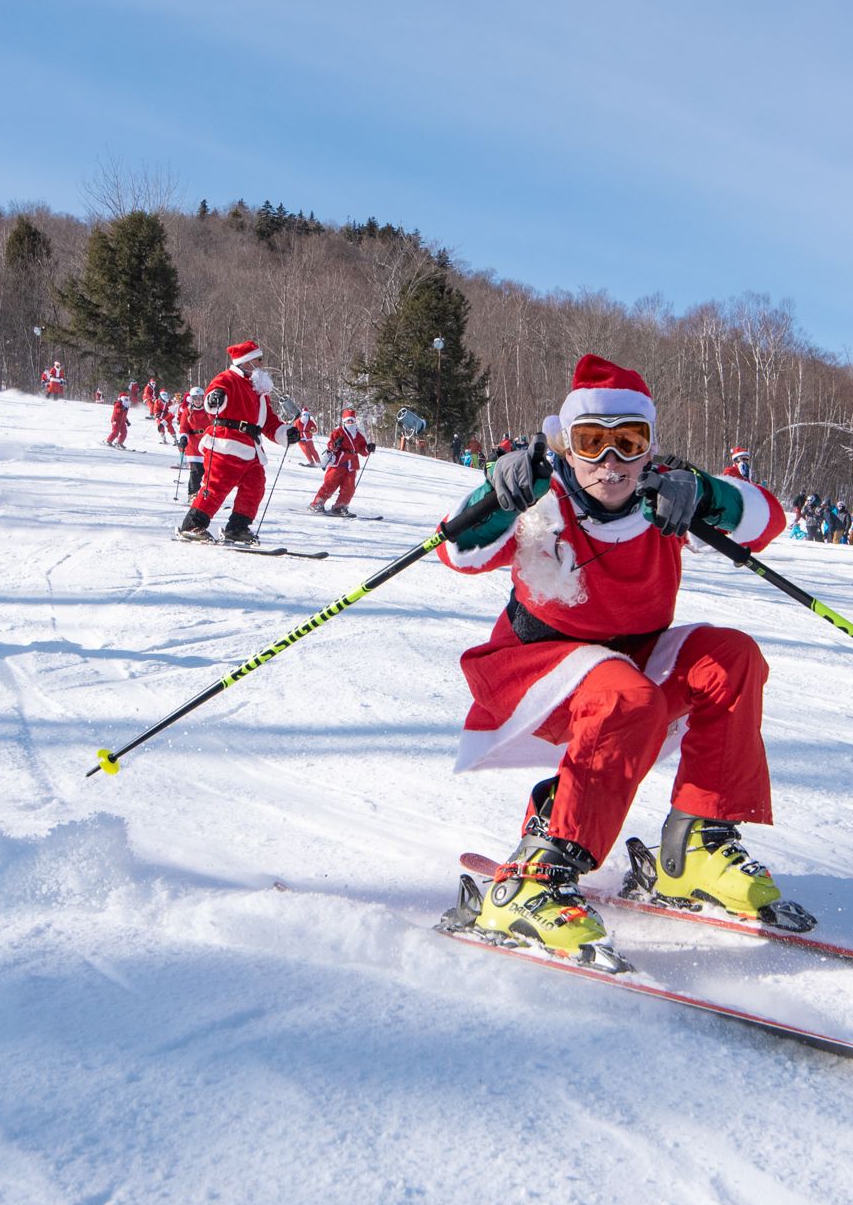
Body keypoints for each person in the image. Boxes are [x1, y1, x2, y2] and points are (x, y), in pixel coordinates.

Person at [435, 355, 806, 967]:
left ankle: (696, 847)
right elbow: (460, 552)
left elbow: (769, 521)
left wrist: (708, 493)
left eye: (628, 443)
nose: (611, 463)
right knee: (623, 696)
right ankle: (533, 877)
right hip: (538, 666)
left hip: (628, 660)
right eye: (592, 443)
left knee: (730, 658)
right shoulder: (544, 495)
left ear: (648, 448)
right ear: (567, 445)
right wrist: (495, 495)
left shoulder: (665, 498)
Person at [176, 341, 301, 544]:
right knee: (216, 486)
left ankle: (237, 527)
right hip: (226, 443)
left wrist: (285, 433)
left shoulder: (259, 389)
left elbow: (268, 421)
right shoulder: (227, 378)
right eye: (259, 359)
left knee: (255, 487)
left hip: (251, 448)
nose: (262, 363)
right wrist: (214, 399)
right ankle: (192, 525)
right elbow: (212, 398)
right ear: (247, 361)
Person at [309, 407, 374, 516]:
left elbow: (363, 451)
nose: (350, 423)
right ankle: (317, 503)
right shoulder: (338, 432)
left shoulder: (358, 436)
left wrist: (368, 448)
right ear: (344, 421)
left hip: (351, 465)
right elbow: (330, 445)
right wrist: (335, 444)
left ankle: (340, 506)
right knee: (330, 484)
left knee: (349, 488)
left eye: (352, 420)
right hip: (338, 463)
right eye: (348, 421)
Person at [176, 387, 209, 497]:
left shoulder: (208, 411)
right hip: (194, 445)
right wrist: (183, 438)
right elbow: (183, 427)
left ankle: (205, 494)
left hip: (206, 443)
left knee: (208, 471)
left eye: (200, 398)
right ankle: (193, 493)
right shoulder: (187, 412)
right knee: (196, 471)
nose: (198, 401)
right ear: (192, 399)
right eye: (196, 399)